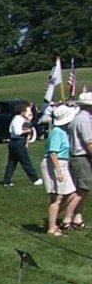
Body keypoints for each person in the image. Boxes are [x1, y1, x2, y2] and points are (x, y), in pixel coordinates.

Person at [41, 104, 79, 235]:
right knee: (56, 198)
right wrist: (58, 171)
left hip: (62, 163)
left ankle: (52, 220)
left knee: (72, 194)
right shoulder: (57, 132)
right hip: (54, 164)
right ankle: (52, 228)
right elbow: (52, 153)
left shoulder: (62, 132)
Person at [66, 92, 92, 229]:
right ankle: (67, 218)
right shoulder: (85, 120)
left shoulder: (77, 118)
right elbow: (89, 142)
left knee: (83, 189)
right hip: (81, 157)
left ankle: (77, 217)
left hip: (76, 157)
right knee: (81, 189)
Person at [1, 102, 42, 187]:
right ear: (21, 111)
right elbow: (17, 132)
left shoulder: (14, 119)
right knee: (26, 161)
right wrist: (27, 131)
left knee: (12, 163)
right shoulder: (19, 119)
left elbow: (10, 130)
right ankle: (35, 179)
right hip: (18, 142)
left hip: (13, 142)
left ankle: (6, 180)